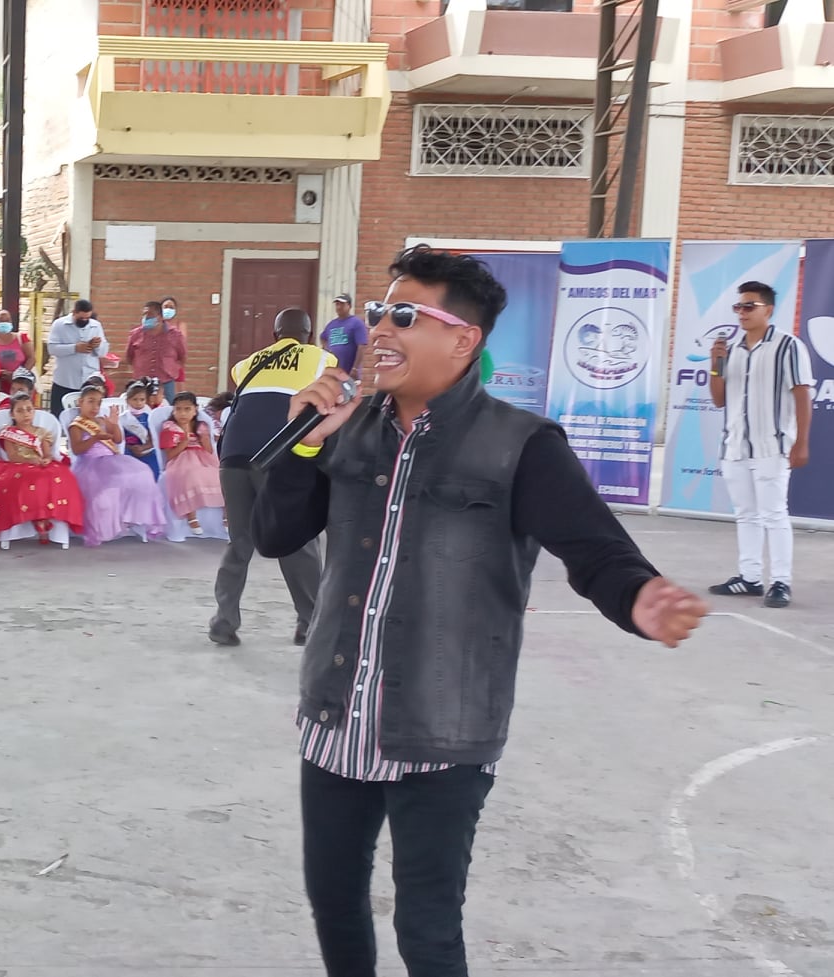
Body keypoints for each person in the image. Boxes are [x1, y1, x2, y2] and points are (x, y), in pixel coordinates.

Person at [252, 245, 707, 977]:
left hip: (444, 729)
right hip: (336, 714)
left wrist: (639, 596)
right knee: (333, 899)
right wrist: (305, 445)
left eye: (405, 316)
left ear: (463, 340)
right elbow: (276, 536)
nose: (380, 330)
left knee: (427, 928)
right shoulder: (349, 426)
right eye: (379, 312)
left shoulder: (521, 444)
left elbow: (597, 550)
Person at [207, 307, 332, 648]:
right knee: (297, 539)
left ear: (275, 335)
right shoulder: (321, 358)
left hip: (233, 456)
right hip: (276, 456)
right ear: (308, 335)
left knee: (239, 541)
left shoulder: (248, 363)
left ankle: (223, 622)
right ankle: (310, 622)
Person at [707, 280, 813, 608]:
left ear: (768, 309)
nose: (742, 312)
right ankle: (750, 577)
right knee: (746, 515)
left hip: (771, 446)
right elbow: (719, 400)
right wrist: (715, 364)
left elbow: (802, 394)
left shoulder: (788, 346)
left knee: (774, 514)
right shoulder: (732, 350)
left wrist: (801, 443)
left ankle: (781, 581)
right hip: (736, 446)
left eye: (749, 306)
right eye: (738, 306)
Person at [67, 385, 167, 546]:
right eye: (90, 401)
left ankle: (131, 518)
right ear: (80, 402)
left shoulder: (101, 420)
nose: (95, 407)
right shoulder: (76, 426)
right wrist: (95, 438)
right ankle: (105, 526)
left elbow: (118, 439)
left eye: (98, 403)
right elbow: (77, 449)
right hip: (90, 463)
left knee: (143, 473)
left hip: (112, 459)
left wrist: (113, 424)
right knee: (102, 489)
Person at [0, 392, 84, 544]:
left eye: (29, 409)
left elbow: (47, 453)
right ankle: (38, 520)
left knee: (59, 478)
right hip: (17, 466)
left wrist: (46, 459)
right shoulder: (8, 433)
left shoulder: (41, 432)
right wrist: (29, 460)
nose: (26, 414)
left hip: (40, 465)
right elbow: (12, 456)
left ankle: (44, 518)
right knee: (26, 481)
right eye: (20, 410)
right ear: (12, 414)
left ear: (34, 411)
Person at [160, 392, 222, 535]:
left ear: (195, 410)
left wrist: (205, 440)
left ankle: (226, 516)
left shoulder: (201, 426)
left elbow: (209, 450)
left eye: (187, 409)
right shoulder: (170, 427)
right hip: (180, 459)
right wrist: (184, 442)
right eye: (178, 409)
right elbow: (170, 455)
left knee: (220, 475)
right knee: (191, 473)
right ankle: (191, 516)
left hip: (203, 458)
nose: (182, 413)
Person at [47, 300, 106, 415]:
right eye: (81, 318)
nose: (84, 321)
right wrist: (74, 348)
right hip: (65, 381)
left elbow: (103, 352)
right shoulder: (59, 324)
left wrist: (97, 345)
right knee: (60, 415)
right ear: (74, 312)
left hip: (89, 381)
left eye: (87, 318)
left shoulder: (96, 326)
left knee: (89, 416)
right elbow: (52, 349)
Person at [125, 300, 186, 402]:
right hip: (142, 382)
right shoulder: (136, 334)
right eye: (144, 314)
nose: (146, 318)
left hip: (166, 382)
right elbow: (129, 356)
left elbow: (182, 356)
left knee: (169, 407)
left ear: (161, 317)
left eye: (150, 315)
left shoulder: (175, 335)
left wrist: (171, 369)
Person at [320, 294, 368, 379]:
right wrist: (326, 348)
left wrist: (355, 368)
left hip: (348, 372)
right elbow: (323, 337)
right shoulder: (331, 324)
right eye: (337, 304)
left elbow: (362, 346)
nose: (339, 307)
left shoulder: (356, 323)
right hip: (333, 373)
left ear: (349, 306)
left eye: (342, 304)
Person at [120, 381, 161, 480]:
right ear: (127, 400)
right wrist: (131, 448)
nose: (138, 403)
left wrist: (143, 448)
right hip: (128, 451)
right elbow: (120, 440)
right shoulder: (122, 419)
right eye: (135, 399)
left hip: (147, 450)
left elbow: (153, 439)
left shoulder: (150, 417)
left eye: (142, 400)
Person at [0, 310, 33, 391]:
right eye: (1, 320)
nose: (4, 323)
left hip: (20, 386)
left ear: (11, 322)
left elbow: (31, 358)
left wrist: (17, 375)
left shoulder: (22, 338)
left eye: (7, 320)